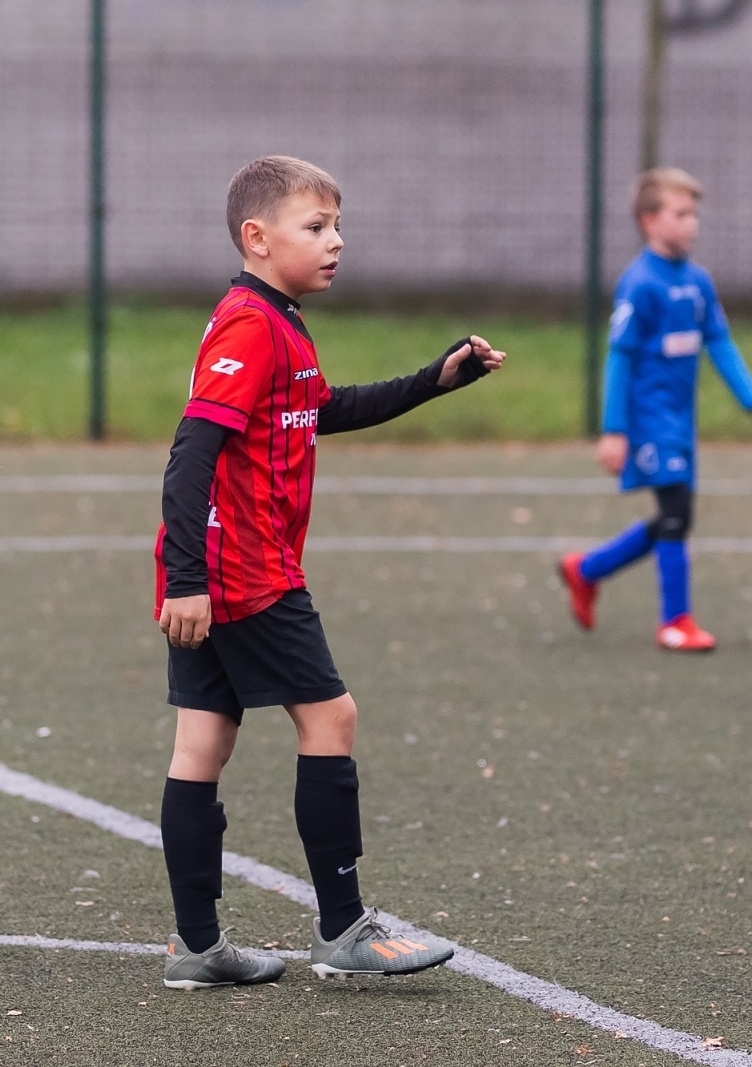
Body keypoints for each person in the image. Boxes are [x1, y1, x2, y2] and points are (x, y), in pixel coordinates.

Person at [154, 155, 506, 990]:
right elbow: (190, 452)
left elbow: (324, 408)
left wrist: (432, 380)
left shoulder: (276, 318)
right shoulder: (251, 323)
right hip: (242, 569)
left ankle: (199, 949)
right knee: (332, 718)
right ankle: (344, 928)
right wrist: (188, 574)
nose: (336, 241)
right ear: (257, 236)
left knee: (203, 740)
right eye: (316, 227)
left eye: (338, 225)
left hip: (223, 567)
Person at [559, 168, 752, 649]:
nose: (692, 224)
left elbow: (719, 344)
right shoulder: (639, 284)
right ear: (649, 221)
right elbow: (619, 359)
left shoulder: (698, 282)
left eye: (693, 214)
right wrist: (614, 429)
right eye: (680, 214)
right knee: (677, 512)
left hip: (681, 419)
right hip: (648, 419)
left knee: (675, 517)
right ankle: (675, 622)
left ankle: (586, 569)